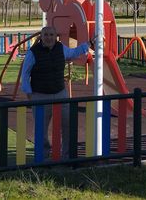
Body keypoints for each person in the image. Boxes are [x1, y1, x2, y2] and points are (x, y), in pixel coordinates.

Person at [20, 26, 93, 160]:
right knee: (41, 129)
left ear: (55, 36)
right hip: (40, 95)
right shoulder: (33, 52)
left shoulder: (61, 48)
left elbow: (73, 52)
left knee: (67, 126)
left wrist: (88, 44)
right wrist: (29, 94)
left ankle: (67, 156)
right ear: (41, 37)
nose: (49, 37)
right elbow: (25, 74)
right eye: (46, 35)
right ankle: (42, 157)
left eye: (51, 35)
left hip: (60, 94)